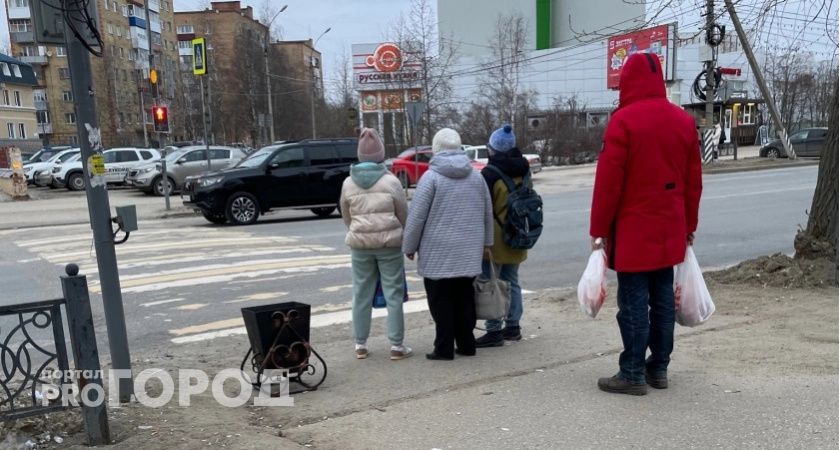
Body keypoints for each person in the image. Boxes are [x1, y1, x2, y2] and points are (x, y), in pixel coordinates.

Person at [589, 52, 702, 395]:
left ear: (627, 82)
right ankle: (659, 368)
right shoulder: (682, 120)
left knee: (634, 303)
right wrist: (689, 226)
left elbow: (608, 184)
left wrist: (599, 232)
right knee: (663, 300)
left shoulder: (623, 122)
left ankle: (632, 371)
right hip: (670, 230)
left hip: (634, 230)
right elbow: (693, 182)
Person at [402, 128, 493, 360]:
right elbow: (486, 212)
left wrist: (409, 246)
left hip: (437, 251)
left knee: (440, 301)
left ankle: (443, 348)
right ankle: (466, 344)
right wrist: (487, 242)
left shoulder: (431, 178)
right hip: (469, 250)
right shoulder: (476, 177)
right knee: (465, 297)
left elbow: (417, 217)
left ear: (436, 149)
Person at [340, 128, 412, 361]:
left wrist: (356, 230)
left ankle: (360, 344)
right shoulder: (391, 181)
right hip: (389, 245)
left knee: (361, 293)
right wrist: (405, 237)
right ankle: (396, 346)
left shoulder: (348, 183)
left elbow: (346, 214)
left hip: (360, 245)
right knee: (393, 293)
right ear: (381, 154)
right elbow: (403, 213)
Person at [475, 124, 531, 347]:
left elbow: (483, 208)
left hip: (495, 238)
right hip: (518, 232)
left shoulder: (489, 174)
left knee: (492, 282)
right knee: (512, 281)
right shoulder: (524, 169)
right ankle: (513, 327)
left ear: (494, 149)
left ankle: (494, 329)